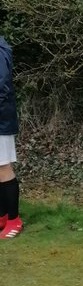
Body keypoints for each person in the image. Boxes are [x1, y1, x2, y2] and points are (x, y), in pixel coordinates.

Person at [0, 35, 22, 240]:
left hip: (0, 120)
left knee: (3, 167)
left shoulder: (0, 49)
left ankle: (14, 220)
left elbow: (2, 85)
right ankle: (3, 215)